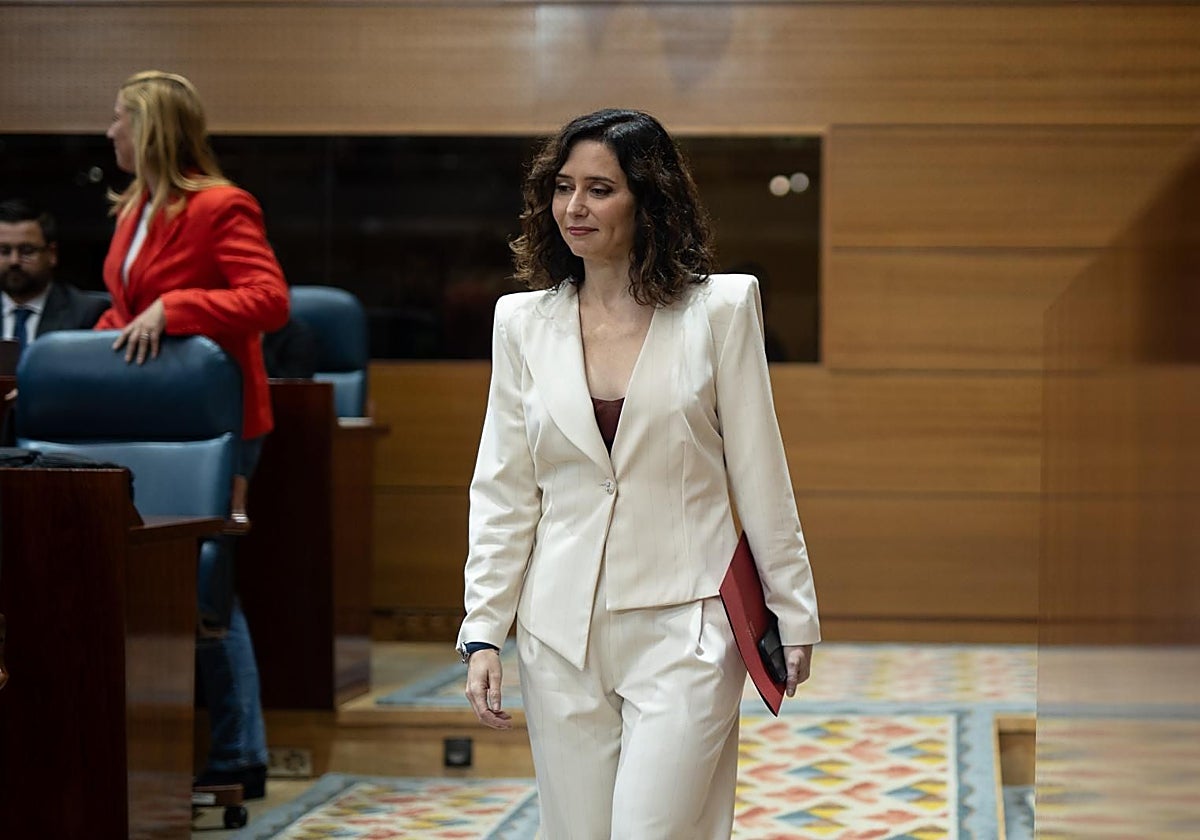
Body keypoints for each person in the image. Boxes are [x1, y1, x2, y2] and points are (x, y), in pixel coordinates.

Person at [456, 109, 820, 838]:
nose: (576, 208)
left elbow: (759, 470)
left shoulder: (720, 310)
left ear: (647, 200)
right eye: (563, 188)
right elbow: (504, 488)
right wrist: (484, 629)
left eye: (600, 188)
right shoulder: (521, 324)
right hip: (562, 633)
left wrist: (793, 606)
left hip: (687, 624)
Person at [97, 69, 290, 798]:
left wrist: (178, 308)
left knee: (202, 588)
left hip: (217, 426)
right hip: (149, 421)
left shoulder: (220, 205)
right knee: (155, 583)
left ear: (148, 127)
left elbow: (268, 300)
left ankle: (240, 752)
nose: (109, 132)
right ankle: (162, 750)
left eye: (119, 119)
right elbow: (126, 314)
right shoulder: (133, 209)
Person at [1, 198, 109, 351]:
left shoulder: (87, 313)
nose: (14, 261)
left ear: (52, 254)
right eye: (4, 251)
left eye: (26, 251)